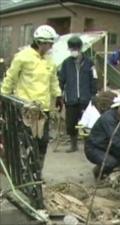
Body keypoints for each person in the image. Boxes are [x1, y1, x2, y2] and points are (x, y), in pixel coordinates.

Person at [1, 24, 62, 171]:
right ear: (41, 42)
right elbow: (10, 78)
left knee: (42, 142)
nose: (51, 46)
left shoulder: (50, 60)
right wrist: (2, 97)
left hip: (44, 109)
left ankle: (37, 173)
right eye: (49, 43)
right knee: (27, 142)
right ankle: (25, 172)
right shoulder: (22, 57)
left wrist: (58, 95)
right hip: (27, 109)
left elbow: (53, 80)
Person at [59, 36, 97, 152]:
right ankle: (73, 145)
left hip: (85, 98)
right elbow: (61, 80)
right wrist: (59, 95)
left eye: (75, 48)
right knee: (71, 124)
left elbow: (94, 79)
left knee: (85, 123)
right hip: (71, 98)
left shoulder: (89, 63)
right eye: (71, 48)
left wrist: (94, 94)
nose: (73, 50)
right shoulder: (66, 63)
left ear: (80, 48)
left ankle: (87, 146)